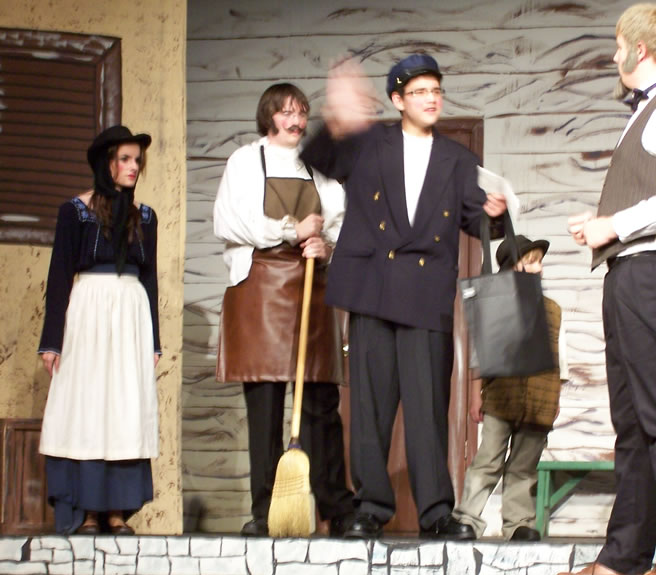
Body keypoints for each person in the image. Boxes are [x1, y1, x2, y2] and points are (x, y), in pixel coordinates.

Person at [300, 54, 508, 540]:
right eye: (419, 92)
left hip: (425, 292)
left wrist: (495, 214)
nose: (431, 99)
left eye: (436, 90)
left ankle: (435, 511)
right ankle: (371, 506)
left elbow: (477, 221)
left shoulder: (458, 159)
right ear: (397, 100)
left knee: (428, 407)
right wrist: (337, 114)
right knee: (370, 408)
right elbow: (320, 158)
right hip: (372, 286)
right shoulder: (370, 143)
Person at [554, 3, 656, 575]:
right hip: (631, 273)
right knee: (633, 422)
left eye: (619, 44)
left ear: (640, 49)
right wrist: (605, 226)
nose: (615, 54)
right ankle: (625, 555)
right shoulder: (649, 110)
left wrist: (613, 224)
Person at [213, 83, 354, 537]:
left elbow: (341, 220)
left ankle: (335, 505)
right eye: (286, 113)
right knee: (266, 406)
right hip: (262, 290)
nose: (295, 121)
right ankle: (265, 511)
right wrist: (291, 230)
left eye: (301, 113)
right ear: (269, 116)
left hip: (311, 286)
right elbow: (230, 219)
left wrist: (325, 244)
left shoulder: (319, 167)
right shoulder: (244, 161)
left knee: (320, 404)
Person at [38, 125, 160, 536]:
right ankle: (88, 510)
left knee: (124, 406)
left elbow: (150, 279)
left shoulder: (145, 216)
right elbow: (59, 277)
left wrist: (154, 341)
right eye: (125, 159)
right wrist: (52, 341)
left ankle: (117, 510)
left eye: (137, 160)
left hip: (130, 314)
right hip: (89, 309)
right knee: (88, 405)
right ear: (107, 164)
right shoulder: (75, 211)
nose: (133, 167)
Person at [453, 234, 567, 541]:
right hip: (502, 397)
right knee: (488, 459)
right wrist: (476, 394)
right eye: (530, 262)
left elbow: (560, 358)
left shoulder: (553, 309)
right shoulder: (496, 306)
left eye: (539, 262)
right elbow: (481, 355)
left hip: (539, 399)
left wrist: (556, 397)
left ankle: (518, 522)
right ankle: (467, 518)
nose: (538, 267)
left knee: (524, 465)